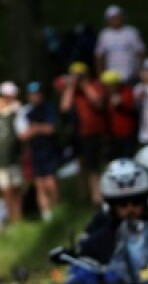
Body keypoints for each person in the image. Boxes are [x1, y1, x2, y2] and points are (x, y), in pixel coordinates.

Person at [60, 63, 107, 206]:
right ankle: (89, 196)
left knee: (97, 165)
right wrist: (71, 86)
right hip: (80, 134)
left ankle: (101, 195)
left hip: (97, 132)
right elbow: (64, 107)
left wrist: (85, 85)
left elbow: (98, 103)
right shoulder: (73, 92)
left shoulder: (95, 85)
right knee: (86, 166)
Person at [20, 82, 60, 222]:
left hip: (49, 151)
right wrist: (37, 129)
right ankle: (46, 213)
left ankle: (56, 209)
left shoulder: (48, 108)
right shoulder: (27, 113)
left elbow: (51, 128)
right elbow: (23, 134)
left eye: (37, 94)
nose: (34, 97)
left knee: (50, 182)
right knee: (39, 184)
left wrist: (36, 128)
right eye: (32, 94)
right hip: (35, 153)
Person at [0, 82, 25, 224]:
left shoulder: (14, 115)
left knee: (17, 187)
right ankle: (12, 216)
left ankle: (19, 215)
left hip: (15, 158)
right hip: (2, 160)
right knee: (6, 189)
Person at [94, 5, 145, 84]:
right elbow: (99, 56)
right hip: (112, 77)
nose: (115, 20)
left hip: (131, 75)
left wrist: (141, 71)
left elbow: (141, 52)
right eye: (112, 18)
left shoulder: (131, 32)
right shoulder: (104, 35)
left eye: (117, 17)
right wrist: (100, 74)